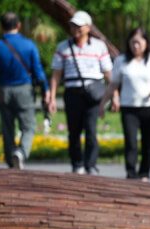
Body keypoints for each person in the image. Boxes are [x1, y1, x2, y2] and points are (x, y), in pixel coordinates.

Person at [49, 10, 113, 174]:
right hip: (72, 92)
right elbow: (56, 75)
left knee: (91, 130)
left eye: (79, 25)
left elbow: (108, 74)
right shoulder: (62, 47)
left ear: (88, 27)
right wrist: (51, 97)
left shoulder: (99, 46)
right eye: (73, 25)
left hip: (94, 93)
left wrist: (115, 95)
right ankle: (77, 164)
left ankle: (90, 164)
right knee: (74, 131)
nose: (75, 28)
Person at [0, 12, 50, 170]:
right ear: (19, 25)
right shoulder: (29, 45)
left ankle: (10, 160)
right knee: (28, 126)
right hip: (24, 90)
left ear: (1, 27)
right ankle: (21, 152)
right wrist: (45, 90)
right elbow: (38, 71)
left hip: (4, 90)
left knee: (8, 127)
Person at [100, 28, 150, 181]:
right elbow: (113, 85)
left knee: (147, 142)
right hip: (129, 107)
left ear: (146, 43)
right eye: (132, 42)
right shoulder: (121, 61)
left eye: (139, 42)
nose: (135, 46)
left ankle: (144, 173)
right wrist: (103, 103)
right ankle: (131, 173)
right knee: (130, 142)